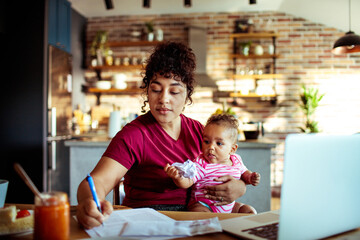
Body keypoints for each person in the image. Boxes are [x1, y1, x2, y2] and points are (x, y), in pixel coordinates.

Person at [76, 41, 247, 229]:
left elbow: (228, 166)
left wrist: (240, 187)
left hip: (195, 217)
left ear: (187, 94)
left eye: (174, 91)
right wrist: (88, 203)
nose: (164, 99)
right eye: (156, 89)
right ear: (147, 91)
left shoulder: (200, 132)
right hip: (148, 221)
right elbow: (96, 182)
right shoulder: (134, 135)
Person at [165, 114, 260, 213]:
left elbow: (244, 173)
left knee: (249, 210)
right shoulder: (201, 163)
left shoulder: (236, 160)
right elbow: (188, 182)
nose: (211, 147)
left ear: (232, 149)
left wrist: (251, 177)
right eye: (206, 141)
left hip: (228, 206)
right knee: (199, 213)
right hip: (204, 204)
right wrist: (178, 178)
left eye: (218, 143)